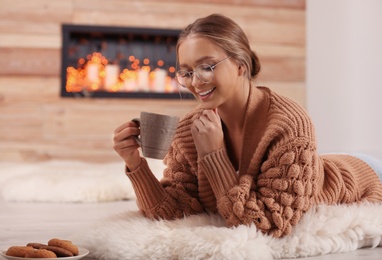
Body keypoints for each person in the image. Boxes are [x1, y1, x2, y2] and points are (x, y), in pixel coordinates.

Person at [113, 13, 382, 238]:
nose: (195, 82)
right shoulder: (189, 130)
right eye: (186, 72)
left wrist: (214, 155)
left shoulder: (289, 123)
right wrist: (136, 165)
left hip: (365, 176)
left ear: (241, 65)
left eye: (206, 67)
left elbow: (267, 224)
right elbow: (176, 213)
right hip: (317, 164)